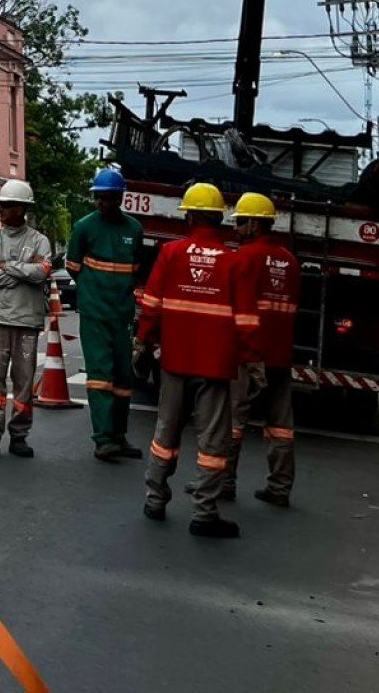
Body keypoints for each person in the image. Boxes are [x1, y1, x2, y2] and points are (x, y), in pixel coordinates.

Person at [136, 182, 258, 538]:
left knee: (165, 432)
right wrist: (252, 362)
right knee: (213, 442)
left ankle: (155, 499)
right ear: (219, 217)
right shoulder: (235, 262)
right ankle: (204, 512)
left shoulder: (171, 253)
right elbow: (247, 321)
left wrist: (143, 343)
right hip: (216, 366)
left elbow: (152, 305)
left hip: (174, 360)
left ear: (188, 215)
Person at [222, 192, 300, 508]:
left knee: (233, 422)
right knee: (281, 424)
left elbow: (239, 312)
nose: (236, 229)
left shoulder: (242, 259)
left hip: (246, 356)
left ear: (254, 224)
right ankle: (280, 487)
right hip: (280, 355)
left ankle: (224, 482)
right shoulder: (290, 262)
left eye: (240, 222)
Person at [65, 165, 145, 462]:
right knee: (100, 374)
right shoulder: (84, 227)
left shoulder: (133, 230)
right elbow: (74, 267)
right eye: (98, 197)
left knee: (124, 377)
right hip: (95, 314)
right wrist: (93, 292)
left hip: (121, 314)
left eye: (108, 197)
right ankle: (102, 439)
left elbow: (135, 270)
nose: (102, 203)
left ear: (120, 197)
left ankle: (118, 435)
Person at [0, 178, 54, 460]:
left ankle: (19, 435)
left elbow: (42, 271)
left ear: (21, 209)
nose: (1, 210)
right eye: (0, 204)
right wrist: (24, 271)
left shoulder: (39, 240)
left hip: (27, 325)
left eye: (7, 205)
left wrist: (8, 267)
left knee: (23, 379)